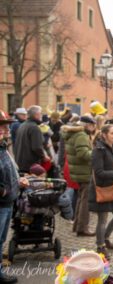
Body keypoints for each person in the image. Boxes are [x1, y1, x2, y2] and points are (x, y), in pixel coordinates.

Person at [88, 124, 113, 258]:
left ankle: (105, 237)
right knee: (102, 219)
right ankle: (100, 246)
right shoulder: (98, 150)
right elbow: (99, 172)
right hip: (102, 188)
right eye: (112, 133)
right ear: (104, 135)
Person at [0, 110, 28, 284]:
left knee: (2, 239)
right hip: (2, 202)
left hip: (7, 202)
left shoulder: (3, 148)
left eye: (5, 127)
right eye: (1, 128)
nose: (5, 130)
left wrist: (18, 181)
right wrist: (4, 191)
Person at [61, 116, 96, 237]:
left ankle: (78, 226)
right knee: (85, 201)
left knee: (81, 199)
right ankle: (82, 228)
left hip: (78, 171)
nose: (94, 128)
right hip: (84, 171)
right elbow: (83, 154)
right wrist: (96, 152)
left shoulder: (75, 133)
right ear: (87, 125)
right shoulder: (81, 135)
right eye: (92, 125)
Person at [14, 105, 48, 173]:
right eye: (40, 113)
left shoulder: (22, 125)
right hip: (30, 165)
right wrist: (44, 156)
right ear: (36, 115)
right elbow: (37, 147)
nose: (41, 115)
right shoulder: (34, 127)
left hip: (20, 163)